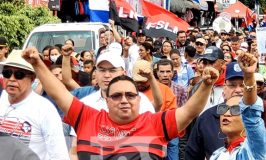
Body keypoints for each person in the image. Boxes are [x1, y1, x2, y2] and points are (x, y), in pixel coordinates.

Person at [21, 46, 220, 159]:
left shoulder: (155, 123)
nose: (124, 100)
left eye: (130, 95)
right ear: (106, 100)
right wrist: (37, 63)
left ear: (139, 98)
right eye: (116, 96)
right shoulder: (88, 117)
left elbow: (190, 111)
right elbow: (59, 93)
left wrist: (206, 84)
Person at [185, 63, 266, 160]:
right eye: (232, 85)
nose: (238, 90)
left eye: (243, 85)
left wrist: (249, 76)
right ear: (224, 89)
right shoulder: (206, 119)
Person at [0, 50, 69, 159]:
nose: (12, 79)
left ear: (32, 79)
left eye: (19, 75)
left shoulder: (45, 110)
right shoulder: (1, 99)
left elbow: (59, 155)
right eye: (7, 73)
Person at [209, 52, 266, 159]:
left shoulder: (255, 150)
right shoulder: (217, 154)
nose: (227, 114)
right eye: (224, 108)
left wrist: (248, 76)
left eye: (235, 109)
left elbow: (252, 115)